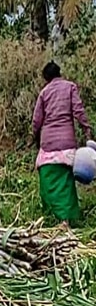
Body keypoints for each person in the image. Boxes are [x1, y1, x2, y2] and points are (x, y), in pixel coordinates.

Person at [32, 61, 92, 227]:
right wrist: (87, 130)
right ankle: (67, 218)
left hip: (48, 142)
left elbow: (36, 121)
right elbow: (78, 111)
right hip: (66, 142)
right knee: (66, 179)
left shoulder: (44, 92)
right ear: (59, 72)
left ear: (46, 77)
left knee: (48, 177)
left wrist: (36, 139)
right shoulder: (70, 87)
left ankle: (52, 216)